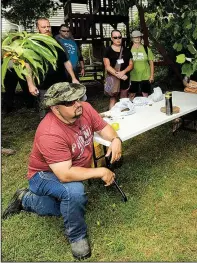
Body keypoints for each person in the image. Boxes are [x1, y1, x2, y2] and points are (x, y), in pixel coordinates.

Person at [2, 82, 123, 260]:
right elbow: (65, 174)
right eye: (69, 103)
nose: (77, 104)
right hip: (43, 175)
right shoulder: (50, 132)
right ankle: (76, 236)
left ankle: (24, 199)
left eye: (77, 98)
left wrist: (115, 139)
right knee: (74, 193)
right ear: (55, 108)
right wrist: (101, 171)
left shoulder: (85, 108)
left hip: (67, 168)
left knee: (64, 208)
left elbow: (104, 128)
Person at [27, 18, 80, 118]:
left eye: (48, 26)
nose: (47, 29)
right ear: (37, 28)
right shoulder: (33, 44)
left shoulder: (56, 42)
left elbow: (66, 61)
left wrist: (73, 77)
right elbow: (28, 65)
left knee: (64, 109)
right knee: (46, 112)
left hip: (61, 83)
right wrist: (30, 84)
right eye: (43, 27)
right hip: (44, 85)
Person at [103, 30, 133, 109]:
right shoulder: (107, 50)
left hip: (124, 77)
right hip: (112, 78)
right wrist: (119, 75)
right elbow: (107, 66)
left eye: (119, 37)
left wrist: (123, 72)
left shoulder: (127, 50)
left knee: (124, 98)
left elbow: (131, 64)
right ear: (111, 39)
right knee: (112, 99)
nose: (118, 39)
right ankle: (112, 118)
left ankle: (123, 118)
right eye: (115, 37)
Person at [128, 30, 154, 99]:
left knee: (145, 94)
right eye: (135, 37)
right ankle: (130, 108)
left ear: (141, 38)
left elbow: (151, 62)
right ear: (132, 38)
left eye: (139, 37)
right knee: (132, 94)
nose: (137, 38)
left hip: (145, 75)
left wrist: (151, 76)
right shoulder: (129, 49)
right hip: (133, 75)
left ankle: (146, 108)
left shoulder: (146, 48)